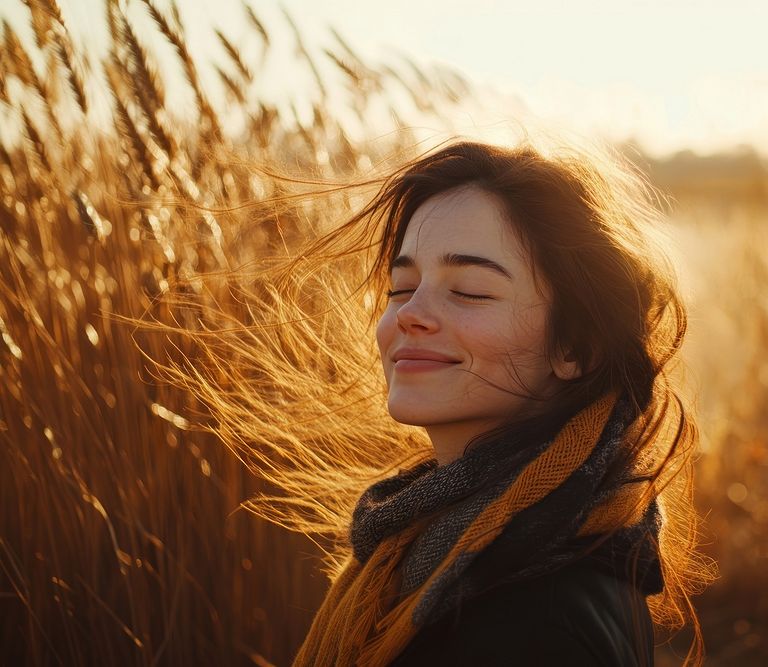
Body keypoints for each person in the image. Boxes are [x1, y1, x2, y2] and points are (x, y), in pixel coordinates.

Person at [165, 138, 711, 665]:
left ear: (575, 347)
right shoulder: (445, 546)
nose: (409, 314)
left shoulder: (534, 620)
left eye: (469, 290)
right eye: (401, 288)